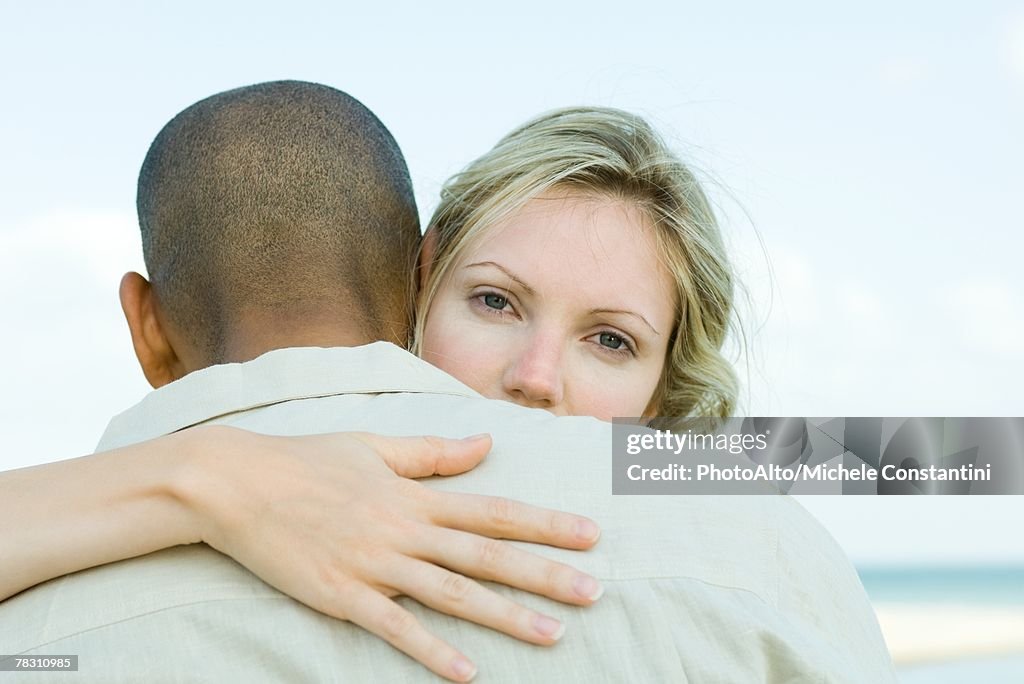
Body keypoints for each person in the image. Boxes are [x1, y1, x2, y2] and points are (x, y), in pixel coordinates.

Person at [0, 81, 896, 682]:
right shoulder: (762, 549)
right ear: (416, 283)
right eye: (497, 302)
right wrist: (205, 477)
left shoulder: (735, 500)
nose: (536, 380)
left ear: (668, 389)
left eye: (613, 342)